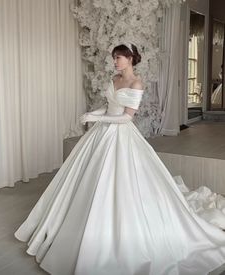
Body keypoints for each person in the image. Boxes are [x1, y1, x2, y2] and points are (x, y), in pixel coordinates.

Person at [15, 43, 225, 275]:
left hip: (120, 135)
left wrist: (98, 120)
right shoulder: (114, 79)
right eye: (114, 57)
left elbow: (126, 118)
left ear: (131, 59)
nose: (115, 61)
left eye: (120, 57)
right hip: (101, 135)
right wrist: (91, 115)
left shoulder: (137, 83)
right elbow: (108, 107)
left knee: (122, 182)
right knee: (88, 180)